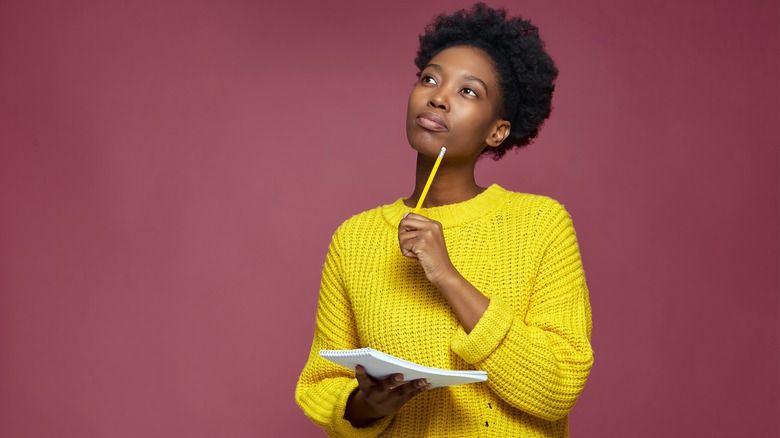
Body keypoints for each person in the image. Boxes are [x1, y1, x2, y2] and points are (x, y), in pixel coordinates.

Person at [295, 3, 593, 437]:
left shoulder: (541, 224)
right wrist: (367, 403)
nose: (438, 96)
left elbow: (558, 385)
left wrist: (447, 275)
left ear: (497, 131)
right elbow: (321, 386)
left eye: (468, 92)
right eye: (430, 79)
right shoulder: (354, 238)